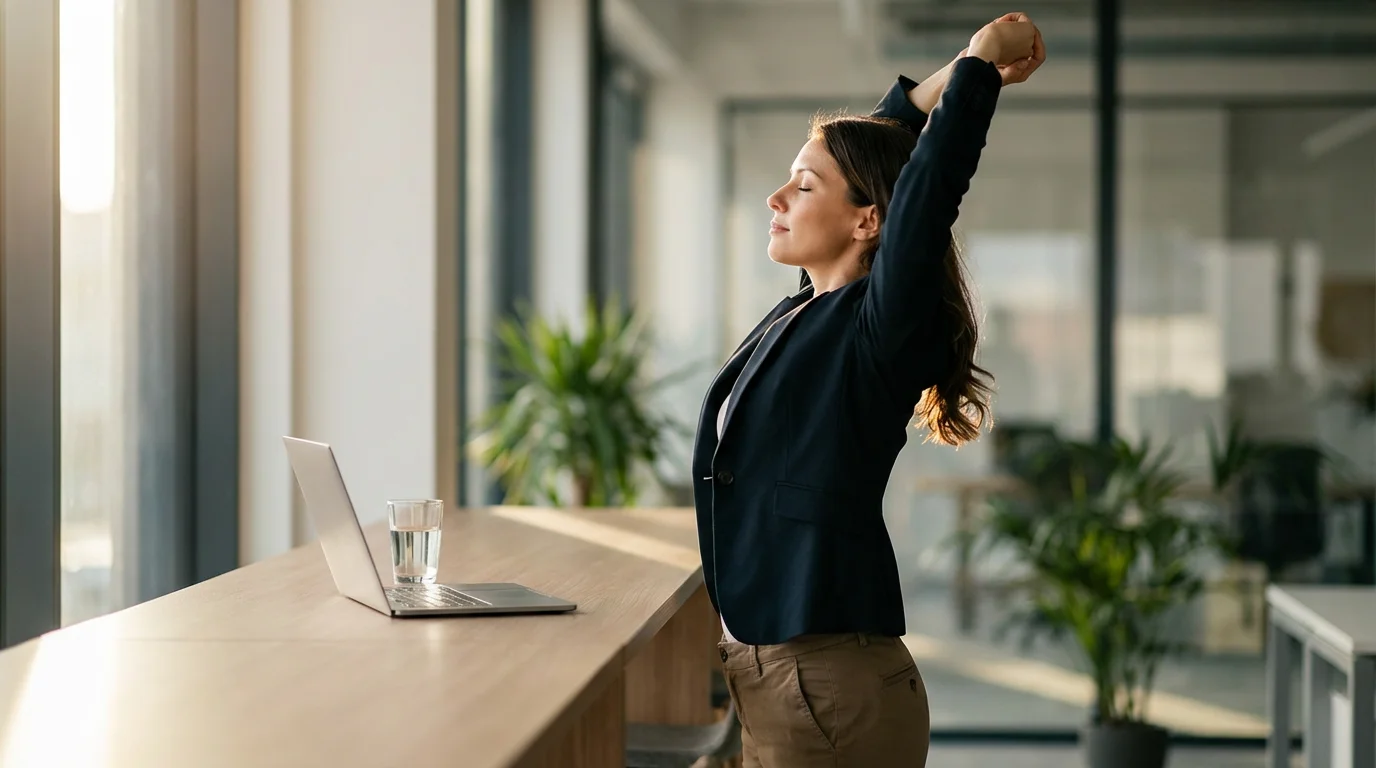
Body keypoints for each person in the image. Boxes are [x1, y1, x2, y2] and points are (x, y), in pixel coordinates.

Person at [690, 12, 1045, 768]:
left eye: (804, 183)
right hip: (779, 682)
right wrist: (944, 79)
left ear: (869, 220)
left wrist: (980, 68)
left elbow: (924, 189)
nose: (776, 196)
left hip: (824, 690)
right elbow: (878, 149)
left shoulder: (877, 329)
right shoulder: (808, 309)